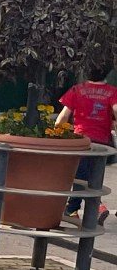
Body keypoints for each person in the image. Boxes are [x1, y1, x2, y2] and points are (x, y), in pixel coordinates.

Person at [55, 72, 117, 221]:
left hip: (81, 140)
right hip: (103, 142)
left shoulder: (77, 89)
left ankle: (83, 208)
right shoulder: (112, 91)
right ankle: (79, 208)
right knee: (94, 175)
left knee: (80, 175)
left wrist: (57, 131)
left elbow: (64, 116)